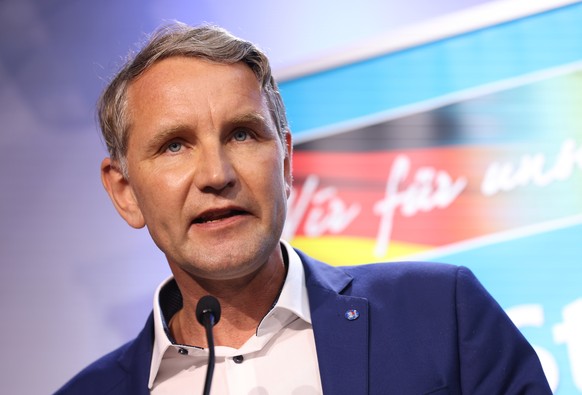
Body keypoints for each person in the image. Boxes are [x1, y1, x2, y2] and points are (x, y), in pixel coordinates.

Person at [56, 22, 551, 394]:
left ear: (287, 161)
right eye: (174, 146)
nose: (216, 174)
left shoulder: (441, 312)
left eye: (243, 134)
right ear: (124, 191)